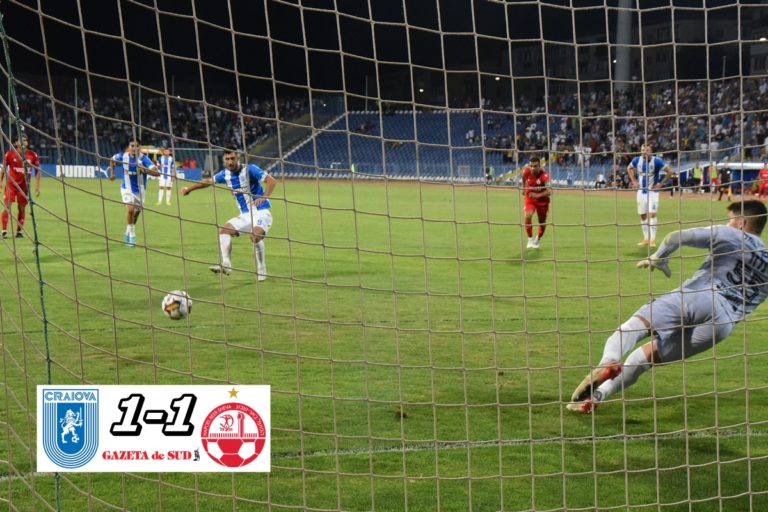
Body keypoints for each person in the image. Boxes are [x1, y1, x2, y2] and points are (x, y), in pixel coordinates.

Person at [567, 200, 768, 414]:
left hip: (698, 296)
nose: (727, 224)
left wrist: (659, 258)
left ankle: (609, 362)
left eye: (730, 220)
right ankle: (596, 397)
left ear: (741, 222)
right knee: (642, 360)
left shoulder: (734, 235)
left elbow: (676, 237)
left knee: (632, 328)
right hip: (722, 324)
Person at [182, 145, 277, 281]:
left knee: (255, 237)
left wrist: (264, 196)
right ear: (223, 160)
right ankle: (226, 264)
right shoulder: (224, 175)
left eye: (232, 158)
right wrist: (189, 189)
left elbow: (271, 181)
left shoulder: (250, 169)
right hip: (245, 215)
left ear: (238, 157)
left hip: (261, 212)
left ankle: (261, 268)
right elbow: (207, 182)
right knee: (224, 230)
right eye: (227, 159)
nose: (230, 162)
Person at [627, 144, 671, 248]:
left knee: (653, 214)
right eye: (643, 150)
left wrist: (660, 184)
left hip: (653, 192)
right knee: (642, 215)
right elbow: (629, 168)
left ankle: (652, 240)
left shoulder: (657, 161)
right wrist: (634, 181)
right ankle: (646, 238)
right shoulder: (636, 160)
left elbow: (669, 171)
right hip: (641, 192)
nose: (644, 152)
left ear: (651, 151)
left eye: (647, 150)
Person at [117, 140, 159, 247]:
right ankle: (132, 236)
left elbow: (157, 173)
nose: (134, 148)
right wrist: (112, 174)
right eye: (132, 145)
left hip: (140, 191)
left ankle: (127, 231)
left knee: (135, 214)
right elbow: (112, 160)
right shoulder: (123, 156)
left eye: (137, 146)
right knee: (130, 210)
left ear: (140, 147)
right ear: (129, 147)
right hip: (126, 189)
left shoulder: (144, 159)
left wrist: (145, 170)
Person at [1, 135, 41, 239]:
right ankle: (4, 231)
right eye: (22, 140)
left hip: (24, 187)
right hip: (11, 185)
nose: (24, 142)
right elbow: (3, 169)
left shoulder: (32, 155)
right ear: (16, 143)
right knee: (7, 206)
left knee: (22, 208)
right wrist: (0, 182)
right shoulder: (10, 154)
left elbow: (37, 171)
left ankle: (19, 232)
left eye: (26, 140)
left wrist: (37, 187)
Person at [521, 156, 551, 249]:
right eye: (531, 166)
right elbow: (523, 177)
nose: (533, 168)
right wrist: (523, 188)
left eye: (535, 166)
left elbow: (549, 191)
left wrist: (537, 195)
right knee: (528, 215)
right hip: (530, 198)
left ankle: (538, 239)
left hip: (542, 201)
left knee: (542, 222)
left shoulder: (545, 176)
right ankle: (530, 239)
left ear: (539, 166)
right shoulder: (526, 172)